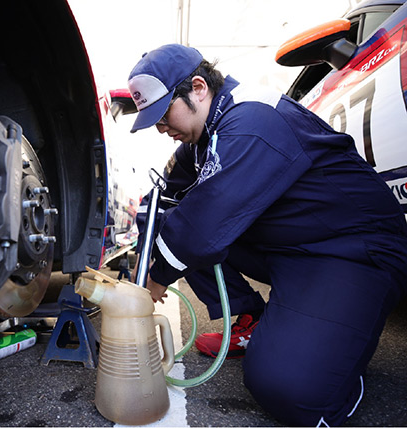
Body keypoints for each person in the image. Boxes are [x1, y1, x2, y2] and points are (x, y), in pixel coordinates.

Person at [127, 44, 407, 426]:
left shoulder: (253, 118)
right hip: (292, 248)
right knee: (176, 223)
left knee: (289, 390)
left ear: (197, 88)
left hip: (351, 249)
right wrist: (137, 275)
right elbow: (158, 203)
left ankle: (333, 365)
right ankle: (253, 319)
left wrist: (154, 281)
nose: (160, 127)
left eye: (163, 114)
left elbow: (202, 229)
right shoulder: (198, 139)